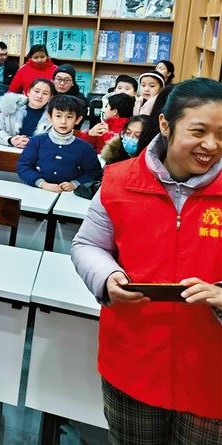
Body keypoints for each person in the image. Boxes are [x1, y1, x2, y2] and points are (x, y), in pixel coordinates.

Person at [71, 78, 222, 441]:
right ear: (166, 125)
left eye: (221, 135)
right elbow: (87, 245)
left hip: (212, 371)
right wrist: (108, 277)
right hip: (133, 359)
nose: (211, 145)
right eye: (198, 131)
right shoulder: (120, 180)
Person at [17, 95, 103, 192]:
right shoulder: (36, 141)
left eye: (69, 117)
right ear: (50, 117)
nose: (63, 122)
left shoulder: (85, 148)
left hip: (67, 194)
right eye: (58, 116)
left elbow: (94, 173)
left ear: (78, 120)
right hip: (37, 190)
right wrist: (42, 184)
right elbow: (23, 166)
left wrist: (75, 184)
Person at [0, 79, 54, 147]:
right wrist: (11, 140)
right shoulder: (10, 107)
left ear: (50, 98)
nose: (39, 96)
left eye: (45, 93)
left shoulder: (54, 117)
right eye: (36, 91)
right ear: (28, 92)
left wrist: (32, 142)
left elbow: (55, 140)